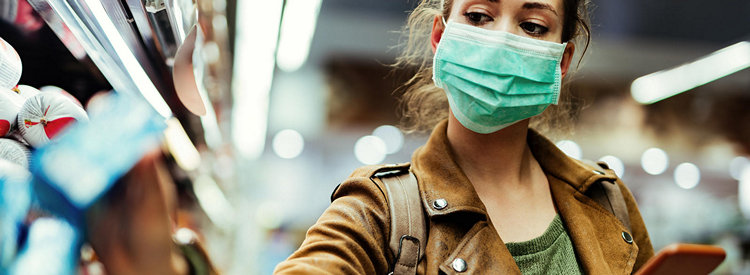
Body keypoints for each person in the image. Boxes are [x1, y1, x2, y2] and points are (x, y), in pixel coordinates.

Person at [274, 0, 654, 274]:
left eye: (533, 25)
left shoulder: (607, 198)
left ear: (561, 61)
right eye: (478, 16)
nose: (502, 41)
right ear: (440, 37)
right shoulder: (381, 211)